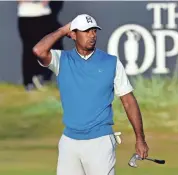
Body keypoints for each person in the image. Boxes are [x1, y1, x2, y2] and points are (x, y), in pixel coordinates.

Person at [33, 14, 149, 175]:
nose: (92, 35)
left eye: (94, 31)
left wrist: (140, 139)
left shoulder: (111, 62)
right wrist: (62, 30)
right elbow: (39, 50)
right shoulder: (62, 60)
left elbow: (129, 101)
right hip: (69, 142)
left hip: (100, 141)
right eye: (86, 31)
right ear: (73, 34)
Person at [17, 0, 64, 91]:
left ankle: (41, 77)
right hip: (26, 17)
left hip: (45, 16)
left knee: (51, 47)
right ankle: (29, 82)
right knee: (29, 49)